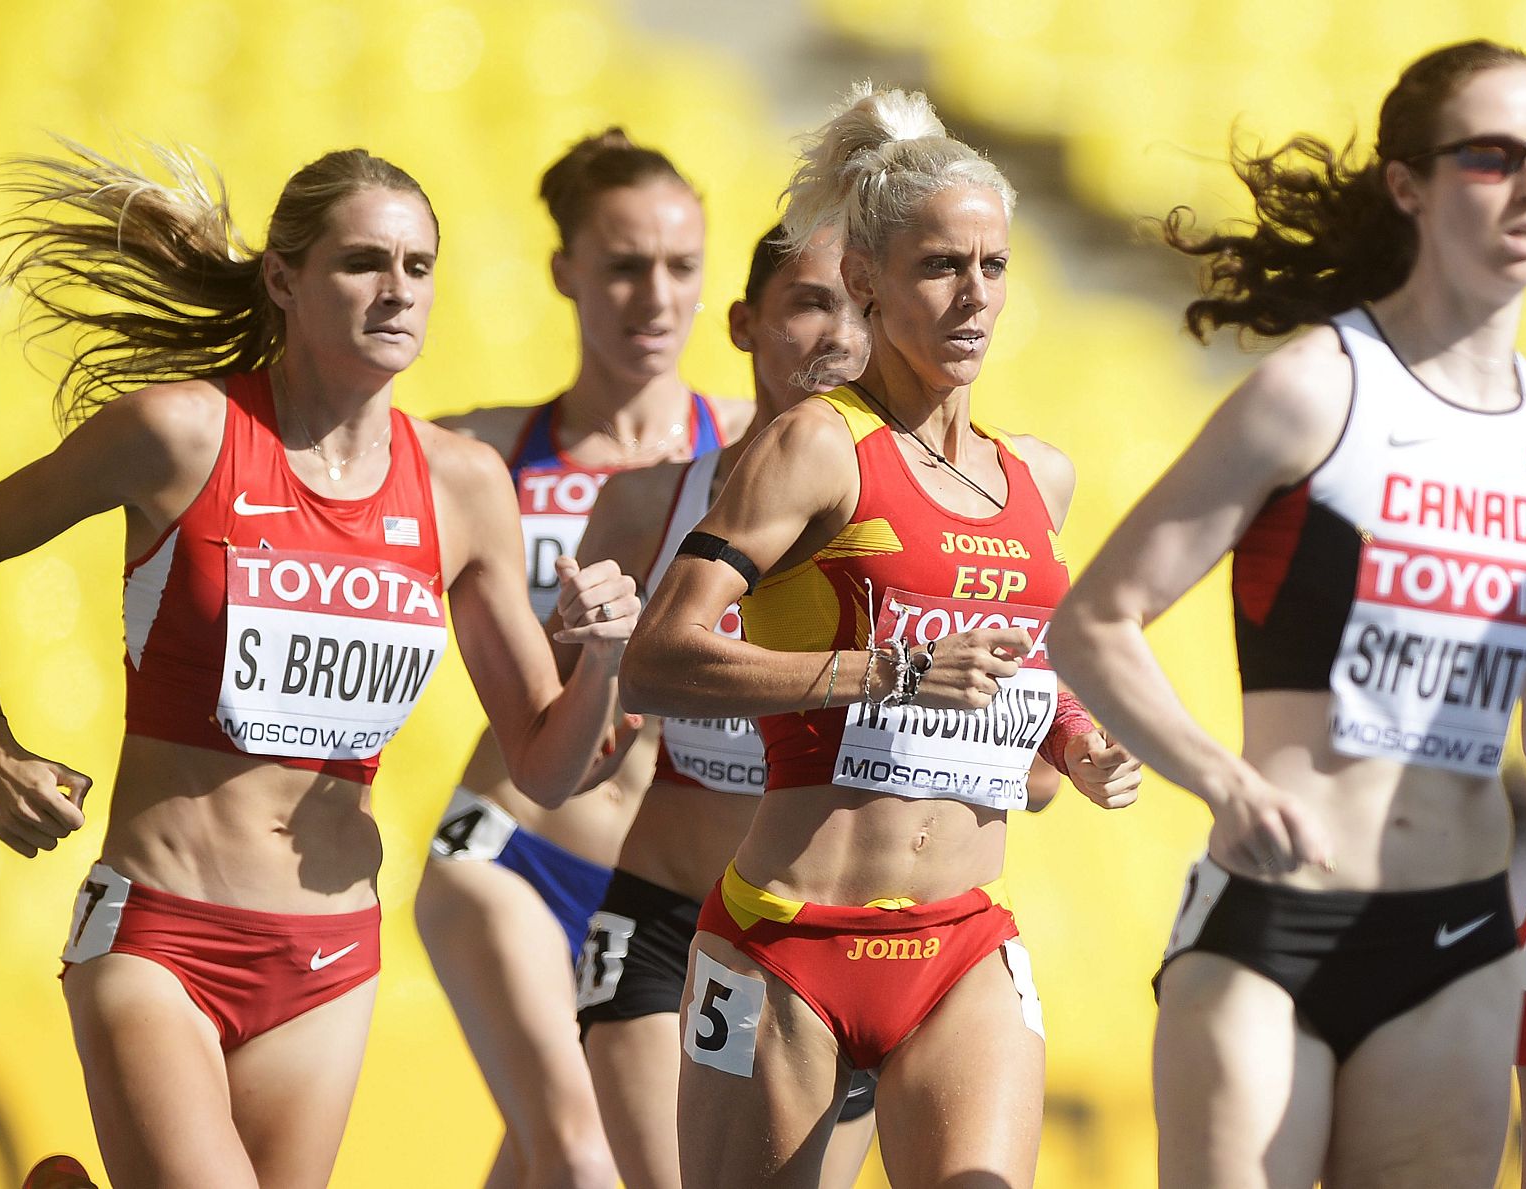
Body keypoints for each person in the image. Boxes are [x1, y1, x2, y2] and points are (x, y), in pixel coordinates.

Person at [0, 141, 638, 1189]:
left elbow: (546, 765)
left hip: (329, 957)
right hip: (160, 932)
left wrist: (604, 655)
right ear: (284, 278)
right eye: (363, 262)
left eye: (419, 267)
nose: (397, 290)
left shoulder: (464, 485)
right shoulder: (182, 432)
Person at [1045, 40, 1526, 1189]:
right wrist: (1218, 776)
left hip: (1457, 941)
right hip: (1271, 931)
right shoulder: (1318, 389)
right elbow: (1090, 620)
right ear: (1408, 184)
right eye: (1491, 156)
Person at [619, 84, 1141, 1188]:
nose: (973, 297)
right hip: (787, 939)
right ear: (865, 279)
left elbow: (1015, 662)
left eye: (992, 267)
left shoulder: (1038, 476)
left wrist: (1076, 736)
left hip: (961, 942)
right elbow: (658, 656)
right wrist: (891, 672)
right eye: (940, 267)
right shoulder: (818, 445)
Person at [412, 128, 747, 1189]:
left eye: (682, 267)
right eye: (622, 265)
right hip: (511, 848)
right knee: (584, 1153)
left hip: (654, 886)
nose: (656, 296)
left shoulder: (752, 451)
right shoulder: (485, 450)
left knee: (541, 1160)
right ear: (564, 271)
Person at [573, 222, 890, 1189]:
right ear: (746, 323)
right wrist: (593, 659)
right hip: (666, 929)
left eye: (865, 307)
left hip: (835, 938)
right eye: (809, 302)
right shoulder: (643, 506)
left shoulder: (905, 525)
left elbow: (1029, 776)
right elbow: (573, 765)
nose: (839, 333)